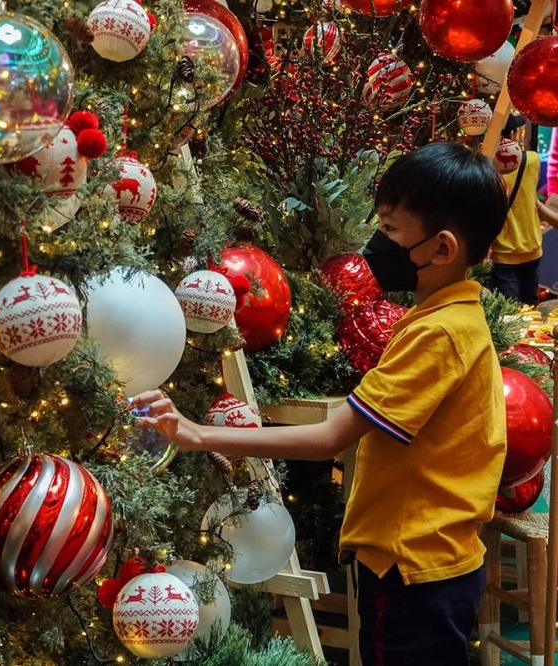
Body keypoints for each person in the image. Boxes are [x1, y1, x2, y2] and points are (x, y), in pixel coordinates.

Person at [131, 142, 510, 666]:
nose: (376, 244)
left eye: (391, 230)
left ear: (441, 249)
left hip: (410, 568)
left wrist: (198, 434)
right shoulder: (451, 321)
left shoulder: (440, 334)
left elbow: (329, 437)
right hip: (434, 563)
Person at [489, 115, 558, 305]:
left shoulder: (486, 166)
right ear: (512, 134)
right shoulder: (532, 160)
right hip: (531, 247)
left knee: (509, 312)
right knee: (530, 305)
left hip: (502, 252)